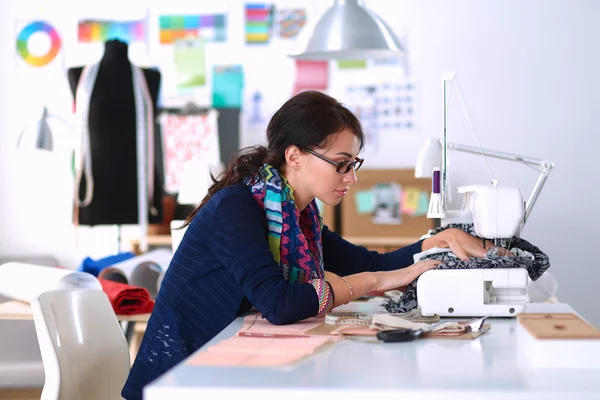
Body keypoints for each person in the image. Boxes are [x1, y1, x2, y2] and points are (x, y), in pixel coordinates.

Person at [122, 90, 504, 399]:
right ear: (295, 156)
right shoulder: (236, 208)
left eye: (354, 164)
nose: (350, 178)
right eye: (341, 163)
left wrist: (432, 242)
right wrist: (370, 283)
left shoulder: (299, 218)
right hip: (181, 380)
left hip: (229, 369)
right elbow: (280, 303)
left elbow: (366, 261)